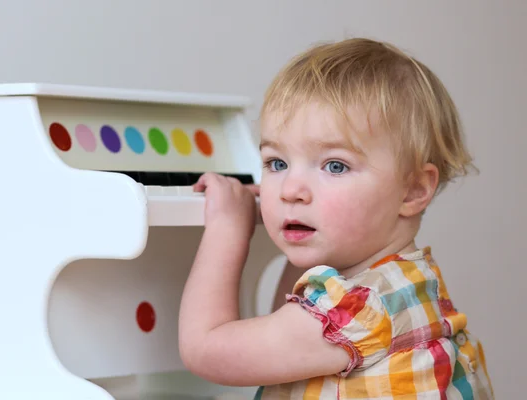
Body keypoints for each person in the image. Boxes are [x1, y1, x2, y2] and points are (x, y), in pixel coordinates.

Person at [178, 37, 495, 399]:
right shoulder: (401, 284)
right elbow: (279, 346)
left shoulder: (363, 305)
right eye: (276, 163)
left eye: (335, 165)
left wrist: (227, 229)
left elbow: (206, 351)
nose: (290, 190)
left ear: (412, 191)